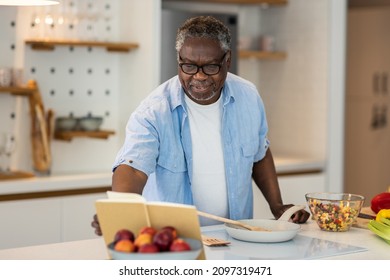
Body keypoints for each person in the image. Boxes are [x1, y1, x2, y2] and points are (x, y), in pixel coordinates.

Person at [92, 16, 309, 235]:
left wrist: (277, 206)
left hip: (236, 236)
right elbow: (133, 168)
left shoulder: (248, 96)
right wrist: (120, 209)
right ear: (179, 59)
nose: (199, 76)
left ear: (227, 60)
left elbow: (259, 153)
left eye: (210, 67)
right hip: (175, 242)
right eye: (189, 66)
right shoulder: (154, 111)